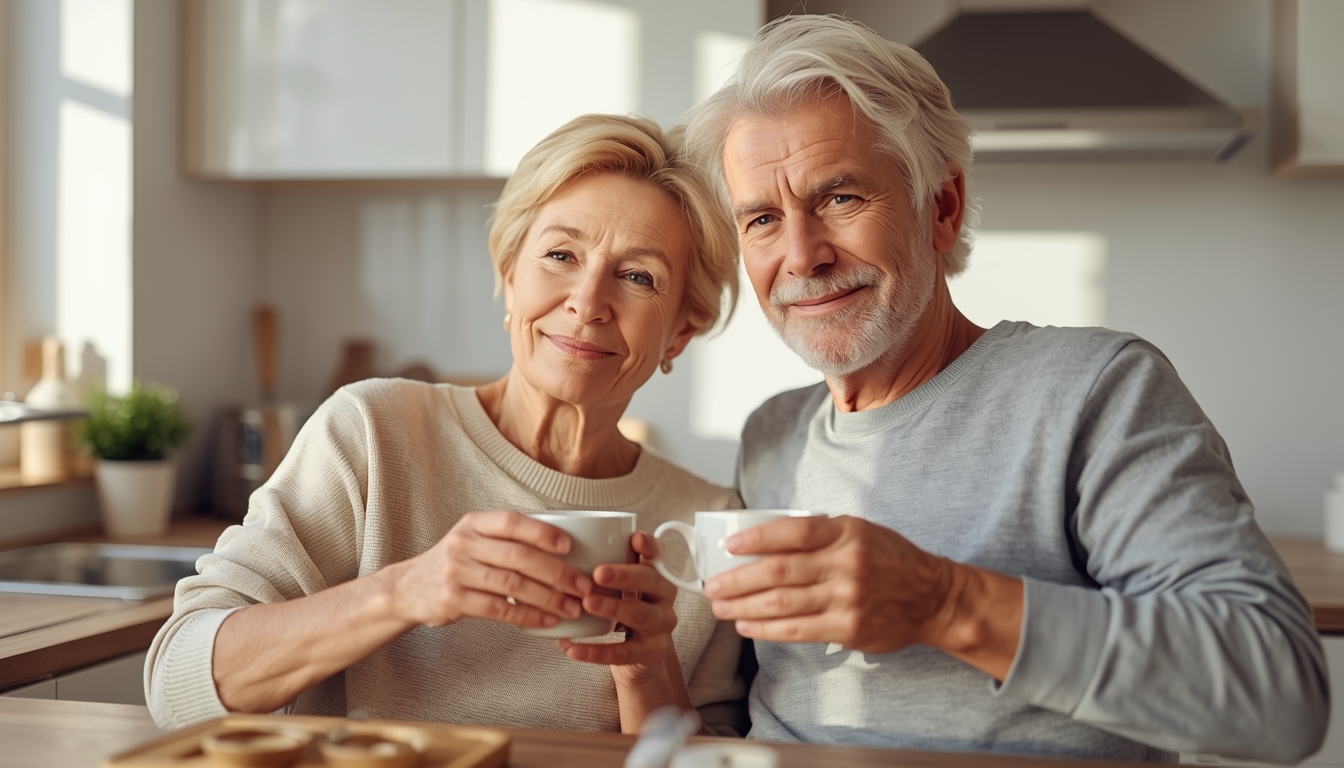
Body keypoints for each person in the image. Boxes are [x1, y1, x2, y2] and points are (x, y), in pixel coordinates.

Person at [682, 15, 1328, 763]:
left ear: (942, 209)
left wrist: (946, 602)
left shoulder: (1093, 392)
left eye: (840, 199)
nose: (802, 255)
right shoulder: (772, 436)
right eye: (762, 218)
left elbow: (1279, 698)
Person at [145, 114, 749, 735]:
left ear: (681, 329)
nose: (588, 303)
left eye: (638, 277)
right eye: (560, 255)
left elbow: (710, 753)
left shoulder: (705, 522)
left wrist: (648, 670)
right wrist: (404, 590)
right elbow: (179, 684)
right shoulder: (373, 433)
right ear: (511, 280)